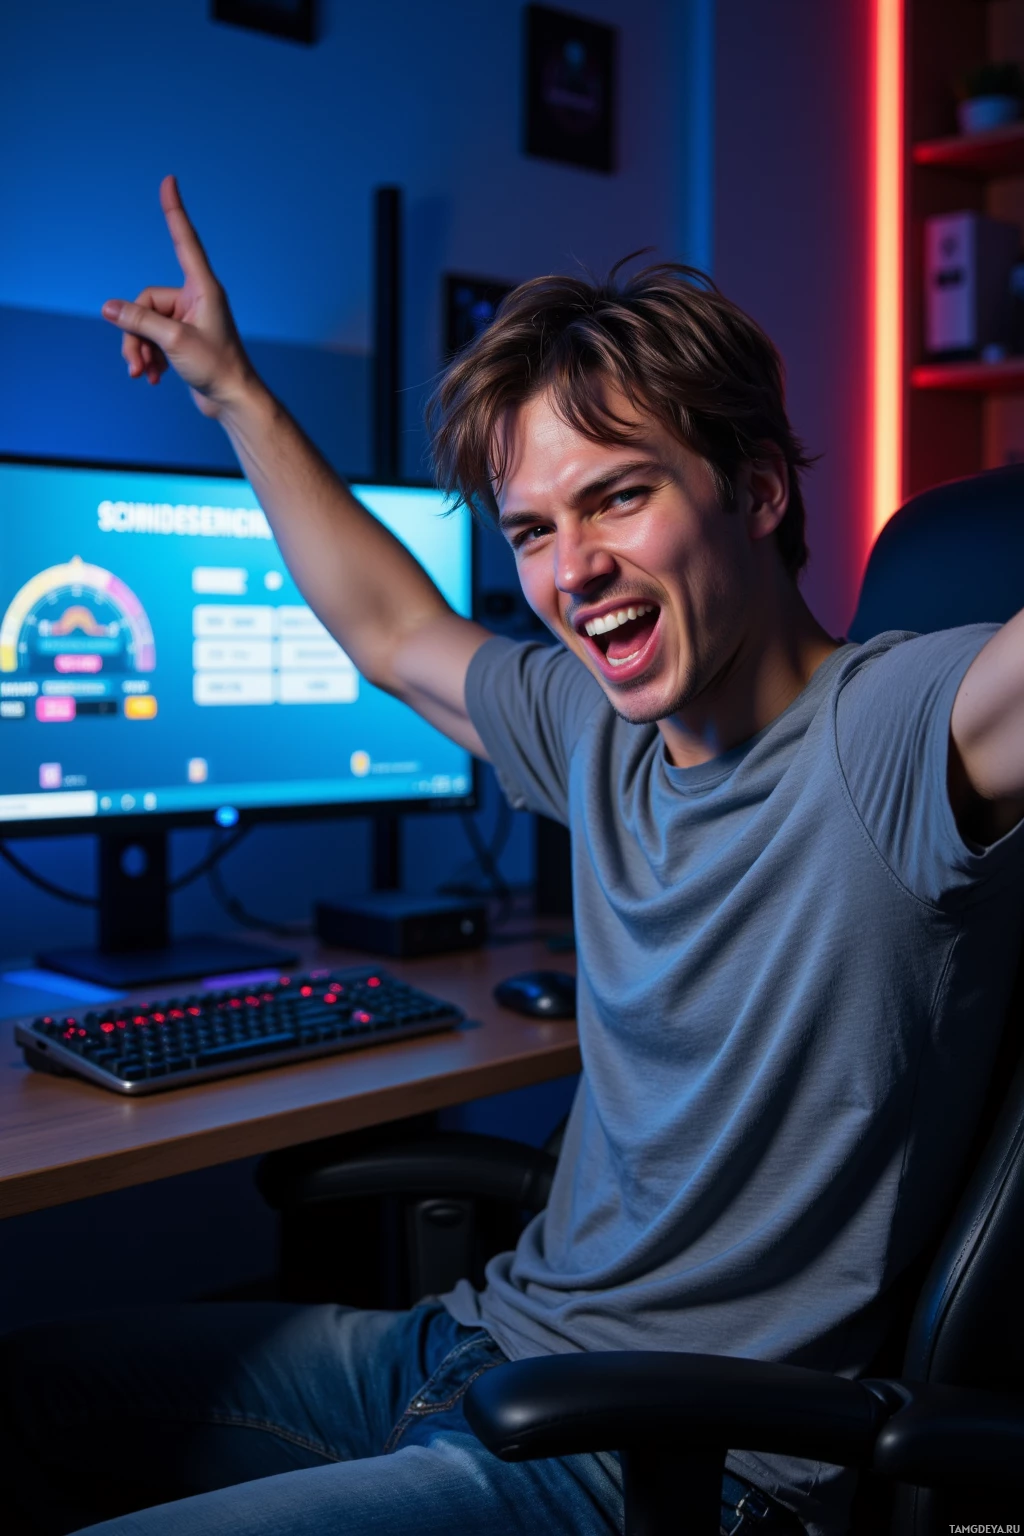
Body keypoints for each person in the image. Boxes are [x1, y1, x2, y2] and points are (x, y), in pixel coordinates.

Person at [3, 174, 1024, 1536]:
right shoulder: (593, 728)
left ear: (761, 488)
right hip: (477, 1353)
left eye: (617, 499)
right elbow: (390, 629)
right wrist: (231, 388)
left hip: (668, 1459)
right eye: (534, 531)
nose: (571, 571)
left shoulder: (895, 731)